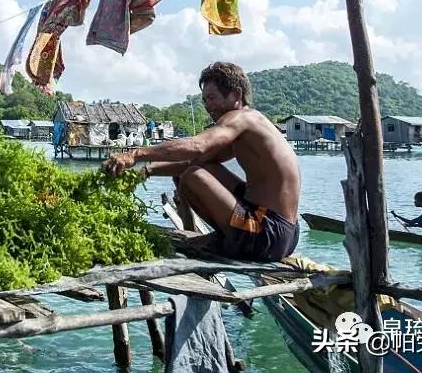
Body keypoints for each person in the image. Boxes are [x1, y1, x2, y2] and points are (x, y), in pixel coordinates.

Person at [102, 61, 301, 262]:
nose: (208, 106)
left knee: (192, 176)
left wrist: (134, 154)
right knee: (201, 168)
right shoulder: (252, 125)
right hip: (285, 234)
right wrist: (148, 171)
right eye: (205, 100)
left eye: (212, 98)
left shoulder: (241, 118)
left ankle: (226, 241)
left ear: (237, 95)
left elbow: (197, 146)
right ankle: (223, 236)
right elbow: (198, 159)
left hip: (267, 235)